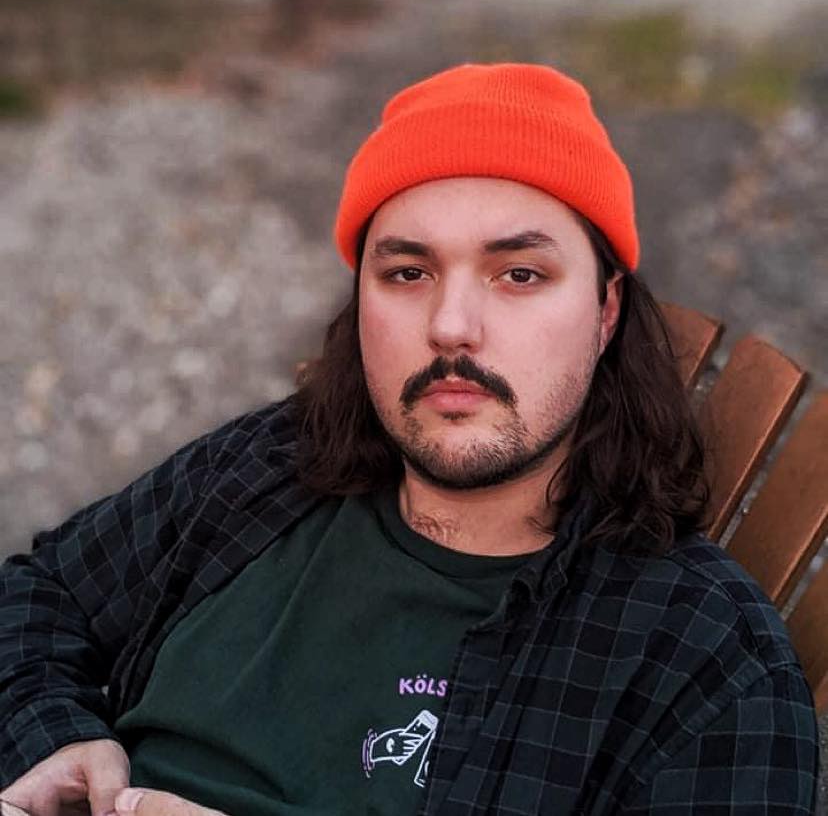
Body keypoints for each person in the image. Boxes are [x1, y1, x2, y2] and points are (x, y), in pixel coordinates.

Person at [0, 63, 819, 816]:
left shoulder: (700, 661)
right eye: (407, 273)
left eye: (519, 274)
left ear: (605, 314)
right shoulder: (266, 469)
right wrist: (58, 737)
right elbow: (39, 593)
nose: (451, 325)